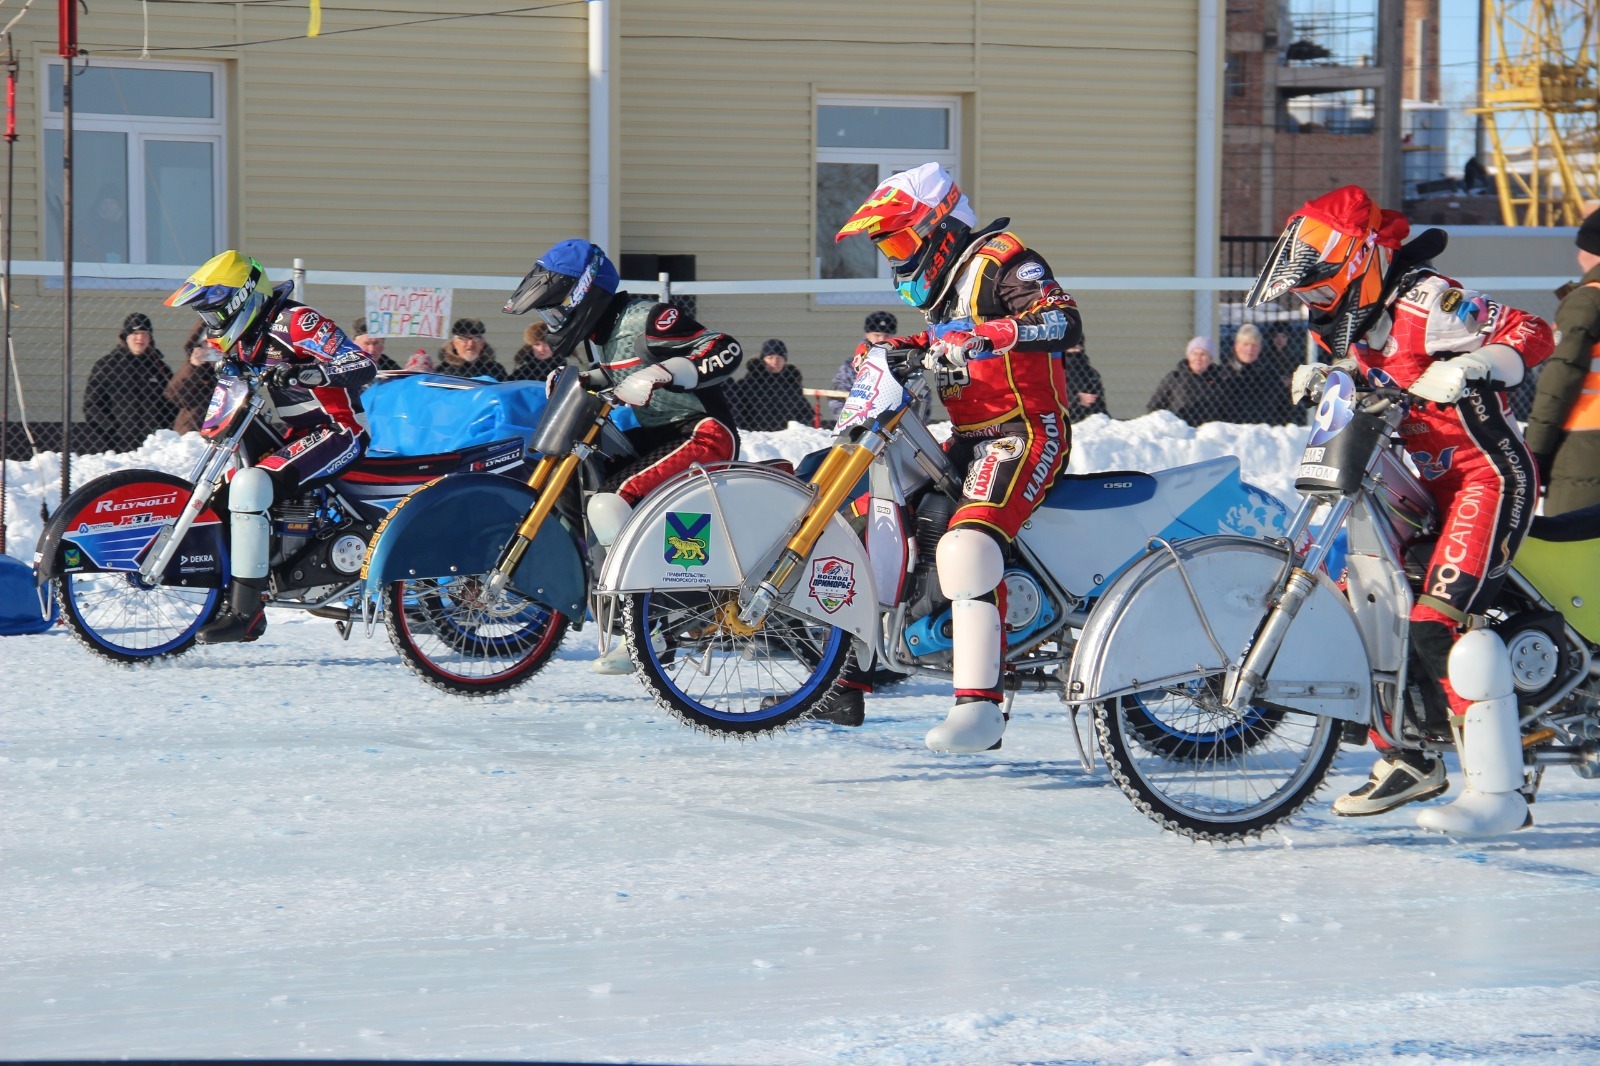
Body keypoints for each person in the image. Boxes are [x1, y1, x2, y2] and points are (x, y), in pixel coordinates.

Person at [1246, 185, 1554, 837]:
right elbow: (1371, 389)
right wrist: (1330, 385)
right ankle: (1408, 755)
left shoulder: (1431, 301)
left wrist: (1477, 365)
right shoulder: (1364, 329)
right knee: (1374, 605)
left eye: (1320, 287)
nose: (1315, 303)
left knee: (1435, 621)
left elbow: (1531, 331)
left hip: (1487, 479)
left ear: (1358, 263)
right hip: (1431, 489)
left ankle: (1499, 790)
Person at [834, 161, 1082, 752]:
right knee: (883, 515)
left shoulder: (1002, 258)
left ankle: (981, 709)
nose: (894, 255)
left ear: (939, 225)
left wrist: (992, 334)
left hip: (1025, 433)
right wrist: (900, 347)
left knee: (967, 544)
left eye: (897, 238)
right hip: (968, 438)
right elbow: (948, 335)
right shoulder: (950, 286)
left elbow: (1062, 319)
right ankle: (847, 675)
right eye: (885, 243)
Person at [501, 238, 744, 673]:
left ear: (583, 295)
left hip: (704, 432)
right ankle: (622, 599)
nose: (555, 322)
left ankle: (651, 627)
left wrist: (668, 370)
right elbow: (613, 376)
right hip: (663, 435)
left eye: (556, 311)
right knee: (586, 484)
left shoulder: (647, 318)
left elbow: (725, 348)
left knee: (612, 501)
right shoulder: (599, 338)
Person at [165, 250, 377, 643]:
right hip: (298, 434)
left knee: (252, 485)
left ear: (242, 297)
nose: (210, 324)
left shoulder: (297, 322)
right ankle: (243, 592)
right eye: (205, 316)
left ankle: (247, 614)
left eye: (214, 312)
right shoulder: (246, 339)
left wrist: (310, 371)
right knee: (228, 493)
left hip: (339, 430)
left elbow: (361, 364)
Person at [1524, 210, 1600, 517]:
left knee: (1578, 551)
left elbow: (1559, 380)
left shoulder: (1589, 300)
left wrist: (1535, 452)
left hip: (1585, 447)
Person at [83, 312, 176, 452]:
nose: (140, 338)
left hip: (154, 447)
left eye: (145, 333)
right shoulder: (106, 366)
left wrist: (163, 430)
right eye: (135, 333)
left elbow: (172, 405)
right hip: (117, 446)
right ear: (126, 336)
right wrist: (110, 430)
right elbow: (92, 405)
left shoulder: (160, 369)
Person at [1218, 323, 1296, 424]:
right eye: (1245, 344)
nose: (1250, 349)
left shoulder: (1270, 375)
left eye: (1254, 345)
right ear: (1236, 347)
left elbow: (1284, 409)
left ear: (1259, 348)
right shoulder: (1223, 374)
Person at [830, 311, 899, 421]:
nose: (882, 339)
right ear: (867, 335)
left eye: (886, 335)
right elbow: (837, 394)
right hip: (858, 421)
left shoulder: (900, 362)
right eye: (877, 335)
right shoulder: (852, 365)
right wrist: (847, 421)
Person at [1145, 336, 1227, 427]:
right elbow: (1154, 406)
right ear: (1188, 356)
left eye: (1203, 354)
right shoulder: (1175, 378)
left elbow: (1225, 412)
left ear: (1210, 359)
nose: (1198, 358)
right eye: (1194, 353)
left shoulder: (1220, 381)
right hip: (1179, 432)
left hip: (1207, 435)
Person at [734, 339, 813, 431]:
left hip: (787, 437)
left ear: (785, 361)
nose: (775, 362)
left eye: (779, 358)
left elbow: (805, 412)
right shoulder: (748, 384)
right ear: (763, 360)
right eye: (770, 357)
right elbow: (738, 413)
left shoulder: (792, 384)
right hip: (757, 435)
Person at [164, 320, 218, 434]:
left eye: (215, 344)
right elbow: (173, 395)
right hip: (192, 433)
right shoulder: (192, 368)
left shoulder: (232, 370)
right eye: (206, 343)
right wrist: (193, 366)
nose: (210, 348)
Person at [434, 318, 509, 381]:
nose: (471, 344)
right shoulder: (443, 371)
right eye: (464, 338)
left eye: (476, 338)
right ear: (454, 343)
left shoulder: (495, 370)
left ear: (482, 343)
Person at [1061, 341, 1107, 422]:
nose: (1076, 350)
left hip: (1089, 419)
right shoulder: (1055, 371)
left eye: (1079, 346)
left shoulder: (1091, 373)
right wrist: (1077, 399)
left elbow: (1099, 402)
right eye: (1072, 347)